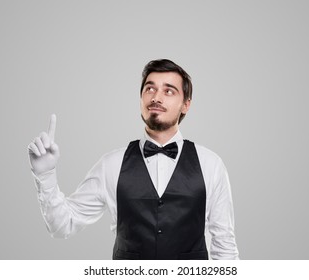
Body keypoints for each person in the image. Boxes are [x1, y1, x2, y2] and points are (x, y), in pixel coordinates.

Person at [28, 59, 239, 260]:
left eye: (168, 91)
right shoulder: (111, 164)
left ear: (186, 105)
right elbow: (62, 226)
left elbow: (224, 246)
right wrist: (45, 175)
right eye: (150, 89)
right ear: (141, 100)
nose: (156, 97)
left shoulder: (210, 164)